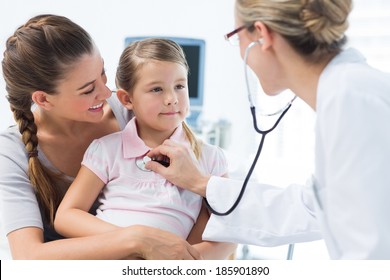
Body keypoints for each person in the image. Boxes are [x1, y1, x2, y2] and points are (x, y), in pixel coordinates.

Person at [146, 0, 390, 259]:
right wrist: (202, 183)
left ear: (261, 35)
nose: (240, 51)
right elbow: (311, 208)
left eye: (236, 36)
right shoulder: (346, 92)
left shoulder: (352, 99)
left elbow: (370, 253)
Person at [0, 14, 201, 260]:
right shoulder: (11, 153)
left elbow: (200, 194)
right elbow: (28, 255)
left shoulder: (132, 109)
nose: (107, 92)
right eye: (88, 89)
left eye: (102, 73)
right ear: (43, 99)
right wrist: (137, 240)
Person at [54, 38, 236, 259]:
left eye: (179, 86)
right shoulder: (107, 149)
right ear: (127, 99)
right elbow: (66, 217)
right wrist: (135, 242)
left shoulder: (210, 158)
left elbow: (227, 232)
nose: (171, 99)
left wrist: (181, 264)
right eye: (157, 89)